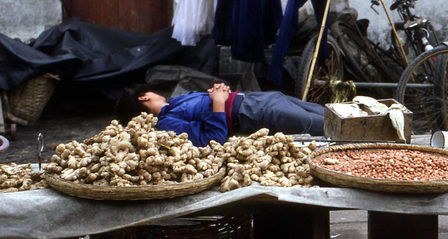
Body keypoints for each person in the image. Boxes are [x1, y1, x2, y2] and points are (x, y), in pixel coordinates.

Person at [115, 84, 325, 146]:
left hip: (262, 99)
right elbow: (212, 138)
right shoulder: (168, 123)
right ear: (143, 98)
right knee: (323, 124)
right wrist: (218, 101)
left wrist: (220, 90)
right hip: (258, 114)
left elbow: (218, 97)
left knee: (331, 114)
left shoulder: (176, 101)